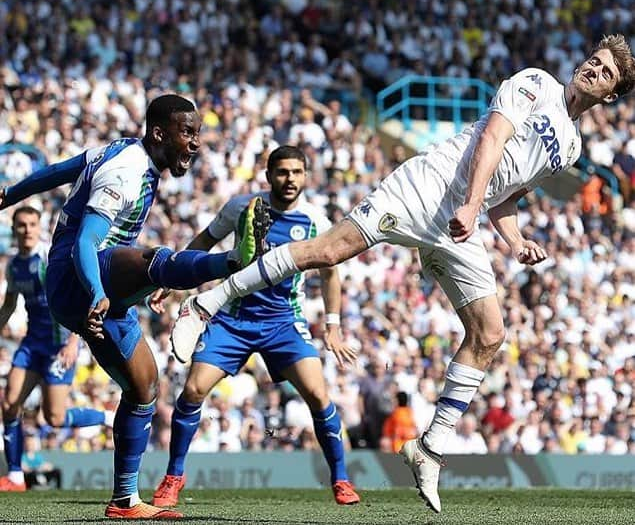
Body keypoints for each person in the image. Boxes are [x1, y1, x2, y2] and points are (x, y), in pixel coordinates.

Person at [171, 36, 635, 513]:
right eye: (593, 62)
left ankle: (429, 448)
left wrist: (515, 242)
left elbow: (509, 194)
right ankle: (205, 303)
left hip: (463, 219)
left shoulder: (573, 145)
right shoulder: (536, 83)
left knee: (491, 332)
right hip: (430, 188)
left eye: (605, 74)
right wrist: (472, 205)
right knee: (330, 251)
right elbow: (492, 138)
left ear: (611, 95)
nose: (593, 71)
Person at [0, 94, 267, 520]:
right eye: (188, 133)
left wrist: (10, 194)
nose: (196, 143)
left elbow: (56, 171)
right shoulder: (124, 172)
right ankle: (235, 260)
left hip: (101, 286)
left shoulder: (119, 150)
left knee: (145, 386)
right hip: (77, 279)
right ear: (159, 133)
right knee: (152, 257)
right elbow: (87, 241)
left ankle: (125, 501)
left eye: (198, 133)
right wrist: (98, 292)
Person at [152, 146, 360, 507]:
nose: (290, 179)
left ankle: (341, 480)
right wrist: (174, 275)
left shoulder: (315, 221)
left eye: (297, 172)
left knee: (318, 395)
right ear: (268, 176)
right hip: (233, 318)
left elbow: (330, 274)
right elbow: (204, 241)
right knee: (193, 390)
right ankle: (173, 476)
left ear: (306, 175)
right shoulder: (242, 207)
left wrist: (333, 325)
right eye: (282, 172)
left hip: (284, 320)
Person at [0, 206, 111, 492]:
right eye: (21, 225)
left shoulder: (49, 259)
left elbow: (76, 297)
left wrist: (75, 340)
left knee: (55, 418)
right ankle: (14, 475)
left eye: (32, 224)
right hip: (31, 345)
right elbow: (10, 305)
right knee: (10, 404)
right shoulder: (14, 266)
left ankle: (107, 417)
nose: (27, 230)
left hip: (59, 346)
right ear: (13, 229)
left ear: (39, 227)